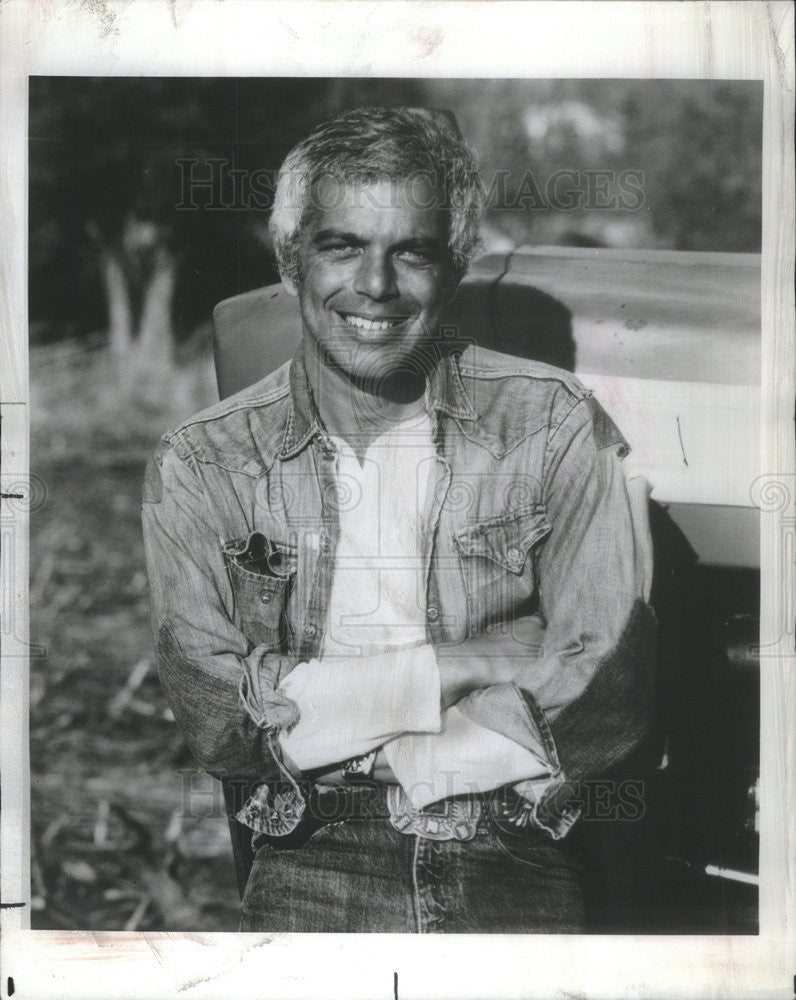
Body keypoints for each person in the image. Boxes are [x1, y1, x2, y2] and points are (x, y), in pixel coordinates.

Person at [142, 106, 656, 933]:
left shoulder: (555, 421)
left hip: (513, 841)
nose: (374, 287)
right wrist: (465, 664)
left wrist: (335, 714)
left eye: (410, 251)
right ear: (290, 258)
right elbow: (220, 718)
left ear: (453, 267)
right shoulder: (202, 458)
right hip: (310, 848)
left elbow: (613, 677)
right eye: (341, 246)